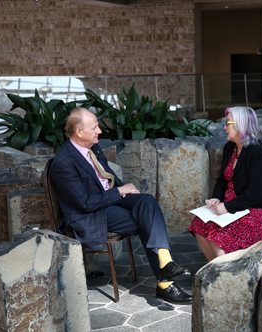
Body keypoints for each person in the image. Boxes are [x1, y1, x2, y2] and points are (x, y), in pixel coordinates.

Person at [49, 107, 192, 304]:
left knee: (147, 202)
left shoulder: (93, 148)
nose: (99, 131)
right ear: (79, 132)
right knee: (146, 221)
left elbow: (108, 178)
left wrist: (123, 188)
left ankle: (166, 261)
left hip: (109, 201)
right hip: (91, 214)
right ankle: (165, 282)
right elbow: (84, 203)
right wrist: (119, 192)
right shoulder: (63, 162)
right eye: (94, 128)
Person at [188, 106, 262, 261]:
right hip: (235, 205)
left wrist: (227, 207)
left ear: (241, 125)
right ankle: (216, 269)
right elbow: (223, 179)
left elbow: (255, 194)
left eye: (228, 123)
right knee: (199, 225)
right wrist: (217, 198)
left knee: (218, 237)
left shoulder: (258, 153)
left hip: (258, 210)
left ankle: (225, 274)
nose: (224, 127)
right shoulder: (230, 147)